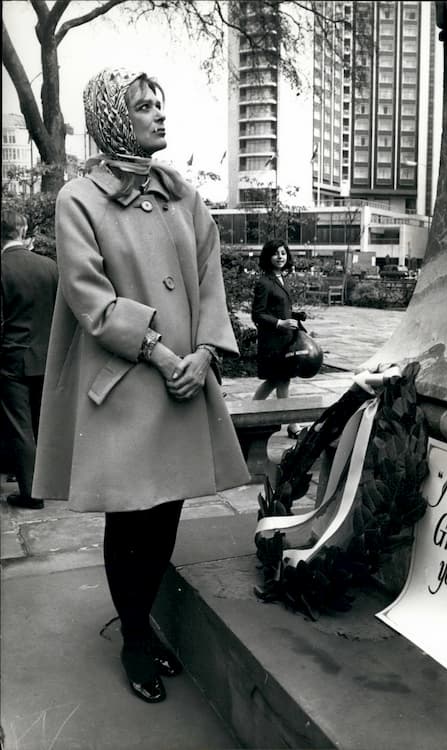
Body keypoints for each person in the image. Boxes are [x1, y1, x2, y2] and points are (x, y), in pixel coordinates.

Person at [32, 68, 250, 704]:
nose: (159, 114)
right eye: (144, 105)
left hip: (186, 383)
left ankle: (141, 623)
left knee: (166, 521)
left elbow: (211, 280)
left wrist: (206, 352)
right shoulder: (79, 198)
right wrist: (160, 353)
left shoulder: (184, 195)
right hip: (129, 387)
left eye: (161, 102)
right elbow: (88, 296)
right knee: (130, 524)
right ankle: (132, 635)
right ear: (111, 118)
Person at [1, 210, 58, 510]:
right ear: (22, 231)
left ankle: (31, 493)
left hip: (12, 360)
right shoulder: (50, 266)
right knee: (40, 424)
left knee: (20, 426)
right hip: (48, 357)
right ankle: (45, 481)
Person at [251, 239, 307, 438]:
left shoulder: (282, 279)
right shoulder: (264, 282)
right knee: (275, 381)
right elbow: (257, 314)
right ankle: (248, 414)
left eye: (283, 253)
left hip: (285, 339)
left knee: (283, 381)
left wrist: (295, 315)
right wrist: (280, 323)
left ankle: (292, 426)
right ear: (268, 257)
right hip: (273, 341)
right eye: (276, 253)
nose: (280, 257)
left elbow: (280, 308)